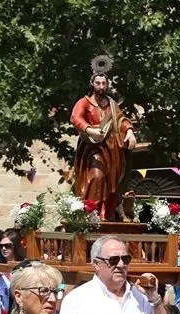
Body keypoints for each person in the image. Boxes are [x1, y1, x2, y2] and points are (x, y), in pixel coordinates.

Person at [70, 63, 136, 220]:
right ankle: (90, 213)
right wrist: (89, 129)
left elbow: (121, 120)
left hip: (112, 150)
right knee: (97, 176)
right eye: (98, 83)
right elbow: (75, 118)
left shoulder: (112, 104)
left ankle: (106, 214)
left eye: (104, 83)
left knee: (111, 183)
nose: (101, 86)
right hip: (92, 148)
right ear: (92, 84)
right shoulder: (84, 102)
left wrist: (129, 131)